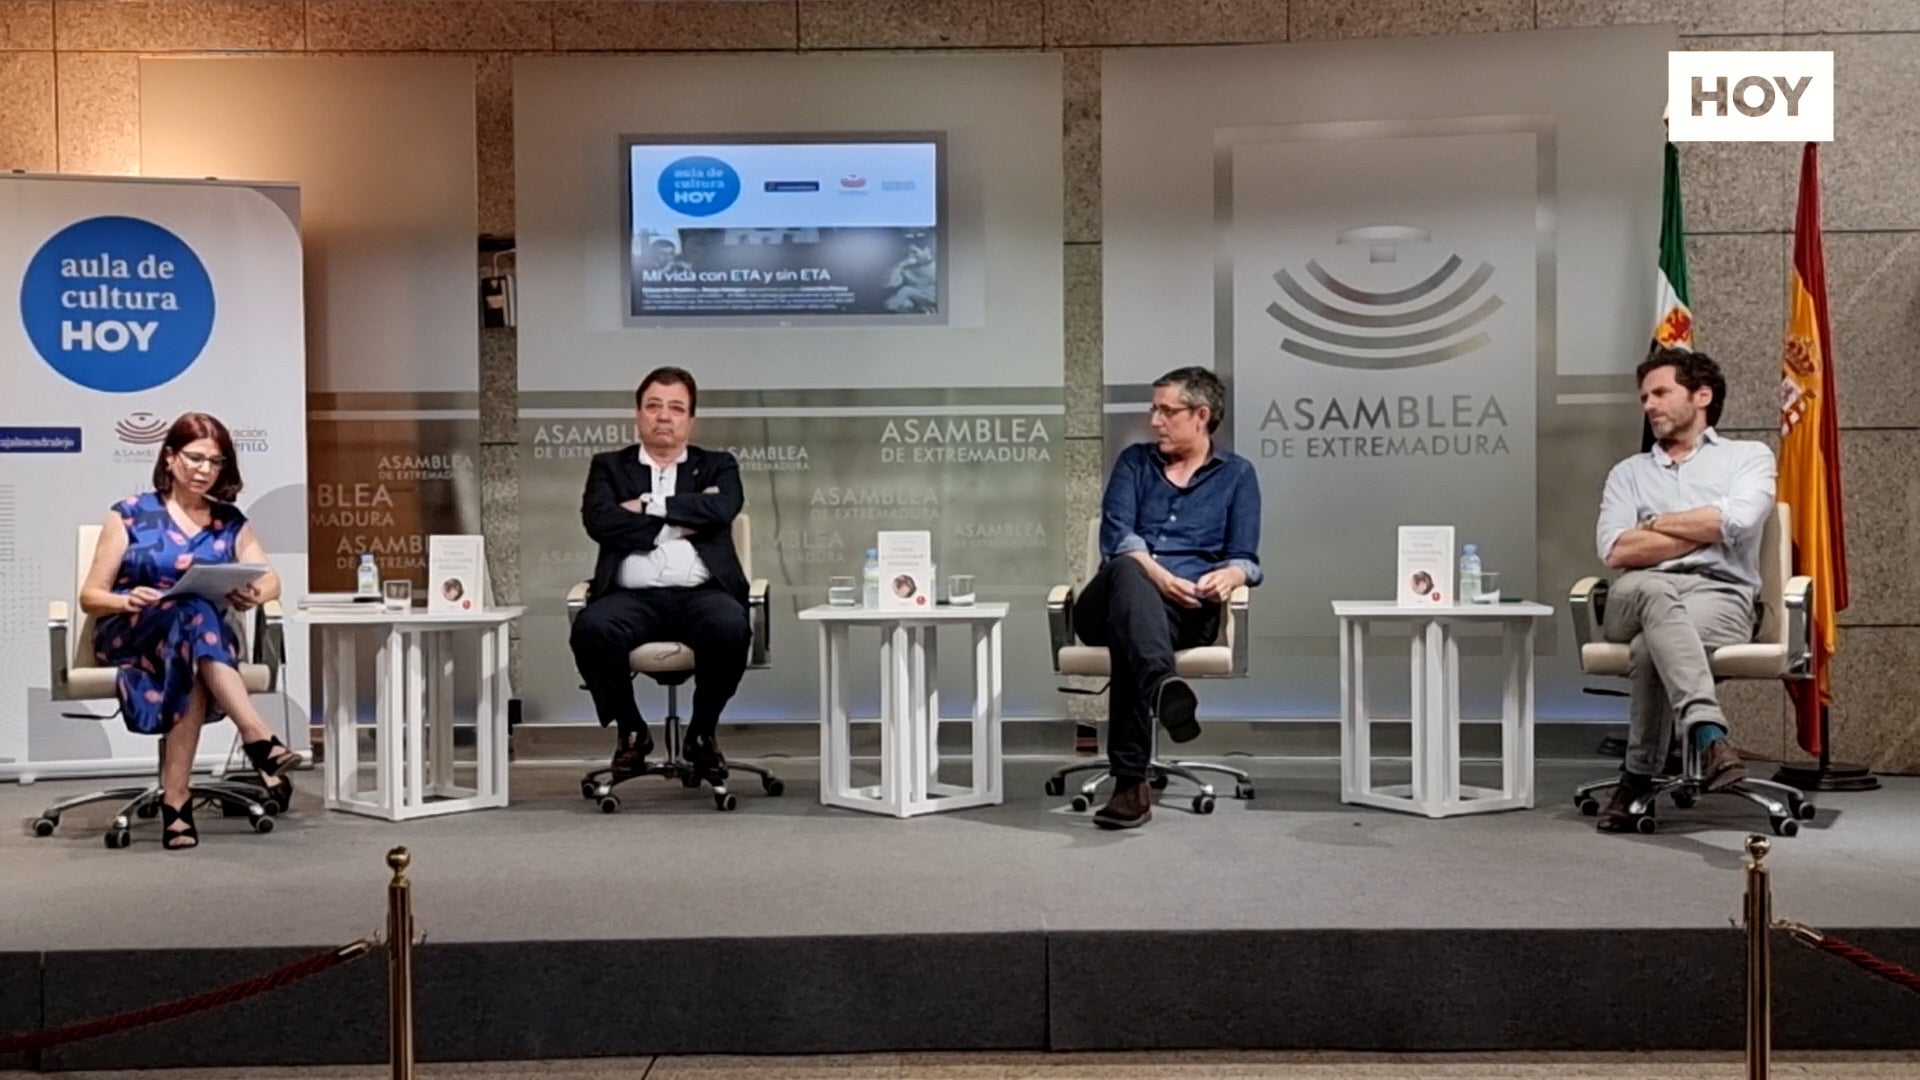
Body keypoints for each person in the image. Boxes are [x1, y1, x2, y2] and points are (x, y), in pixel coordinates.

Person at [78, 412, 299, 850]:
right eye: (195, 459)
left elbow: (272, 580)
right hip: (133, 633)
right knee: (193, 618)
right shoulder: (130, 513)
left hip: (199, 639)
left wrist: (254, 593)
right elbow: (91, 596)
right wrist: (127, 600)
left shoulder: (229, 519)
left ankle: (177, 801)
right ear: (170, 457)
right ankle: (255, 736)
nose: (204, 470)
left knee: (194, 620)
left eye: (215, 462)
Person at [1593, 348, 1776, 832]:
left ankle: (1635, 777)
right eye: (1644, 397)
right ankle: (1709, 733)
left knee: (1652, 646)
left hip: (1720, 597)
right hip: (1635, 593)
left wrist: (1654, 525)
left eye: (1660, 392)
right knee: (1654, 595)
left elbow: (1737, 519)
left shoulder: (1748, 458)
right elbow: (1615, 549)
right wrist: (1703, 525)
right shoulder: (1627, 473)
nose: (1648, 405)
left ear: (1702, 396)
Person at [1076, 366, 1262, 829]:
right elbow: (1118, 538)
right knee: (1127, 571)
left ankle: (1130, 786)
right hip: (1108, 601)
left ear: (1201, 415)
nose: (1154, 420)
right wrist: (1159, 577)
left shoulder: (1238, 476)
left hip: (1186, 612)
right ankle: (1162, 685)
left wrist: (1232, 574)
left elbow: (1247, 557)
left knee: (1133, 641)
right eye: (1153, 409)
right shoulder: (1134, 463)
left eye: (1165, 410)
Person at [570, 366, 752, 785]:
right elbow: (600, 522)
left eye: (676, 408)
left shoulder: (718, 465)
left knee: (729, 625)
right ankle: (631, 731)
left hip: (702, 594)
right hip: (631, 599)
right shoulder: (609, 468)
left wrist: (646, 505)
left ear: (691, 419)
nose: (664, 416)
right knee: (593, 627)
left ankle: (702, 733)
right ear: (638, 414)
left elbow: (722, 510)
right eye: (653, 406)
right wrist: (683, 515)